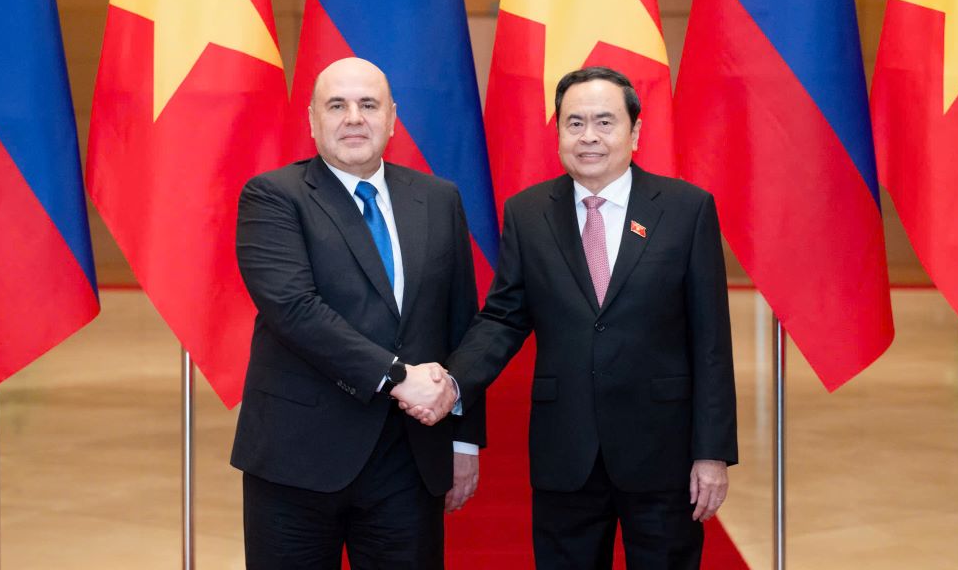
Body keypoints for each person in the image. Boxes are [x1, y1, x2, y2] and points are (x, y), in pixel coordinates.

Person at [407, 66, 737, 569]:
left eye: (605, 122)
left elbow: (711, 341)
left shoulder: (686, 210)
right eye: (574, 123)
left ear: (635, 131)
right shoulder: (528, 213)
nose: (589, 137)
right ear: (558, 132)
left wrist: (711, 453)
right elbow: (503, 319)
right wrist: (454, 382)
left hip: (662, 450)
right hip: (566, 450)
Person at [231, 57, 484, 569]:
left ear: (391, 118)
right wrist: (398, 377)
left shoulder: (439, 199)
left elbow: (460, 324)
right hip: (297, 459)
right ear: (312, 120)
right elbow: (295, 309)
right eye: (337, 105)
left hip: (409, 460)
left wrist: (464, 440)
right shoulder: (273, 197)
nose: (353, 118)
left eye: (368, 105)